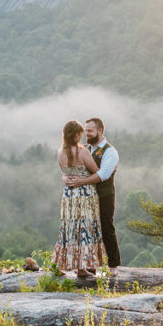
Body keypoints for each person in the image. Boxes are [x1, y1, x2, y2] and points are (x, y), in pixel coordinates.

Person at [65, 117, 120, 277]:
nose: (86, 134)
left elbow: (103, 175)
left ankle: (114, 265)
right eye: (86, 131)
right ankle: (90, 266)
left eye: (90, 131)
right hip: (86, 197)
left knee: (106, 227)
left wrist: (81, 181)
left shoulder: (110, 151)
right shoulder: (85, 149)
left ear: (100, 131)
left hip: (104, 195)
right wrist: (67, 179)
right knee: (88, 229)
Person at [52, 120, 106, 278]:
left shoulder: (60, 152)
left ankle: (61, 263)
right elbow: (96, 172)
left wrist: (65, 178)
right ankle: (82, 267)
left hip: (69, 195)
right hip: (85, 194)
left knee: (69, 228)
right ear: (76, 134)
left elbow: (64, 173)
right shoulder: (82, 152)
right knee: (85, 229)